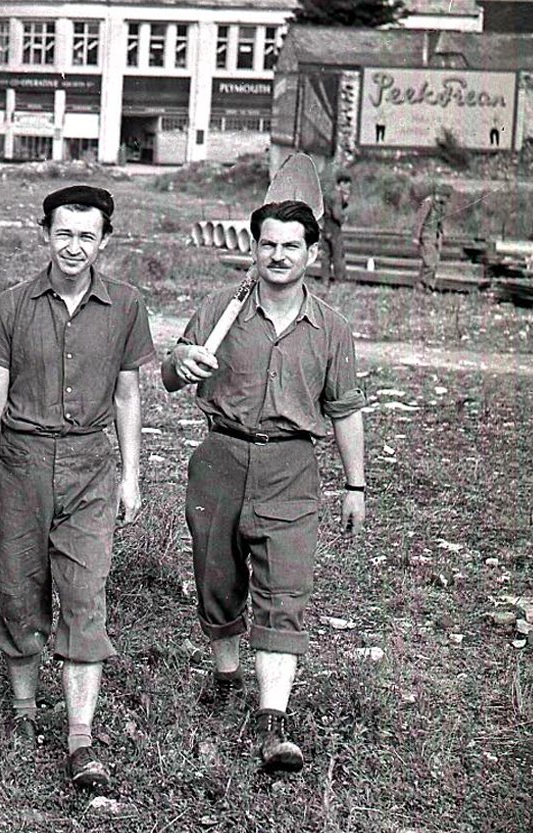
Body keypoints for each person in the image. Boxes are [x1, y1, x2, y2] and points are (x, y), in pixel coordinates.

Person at [162, 199, 367, 774]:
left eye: (291, 245)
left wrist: (357, 485)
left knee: (286, 585)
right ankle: (227, 673)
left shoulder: (332, 328)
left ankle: (272, 719)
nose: (278, 255)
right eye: (268, 244)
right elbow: (169, 376)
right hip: (221, 458)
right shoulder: (218, 309)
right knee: (216, 576)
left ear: (312, 253)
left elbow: (346, 409)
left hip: (291, 467)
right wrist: (183, 359)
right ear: (254, 248)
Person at [0, 185, 154, 791]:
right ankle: (23, 712)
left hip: (89, 467)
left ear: (105, 240)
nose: (74, 246)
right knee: (17, 587)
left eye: (87, 235)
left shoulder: (126, 306)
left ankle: (80, 737)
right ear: (44, 234)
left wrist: (131, 475)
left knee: (83, 593)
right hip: (20, 463)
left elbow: (127, 394)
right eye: (64, 233)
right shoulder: (11, 307)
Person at [412, 184, 450, 288]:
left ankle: (429, 286)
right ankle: (422, 285)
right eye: (446, 197)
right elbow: (419, 221)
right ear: (442, 195)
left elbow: (440, 222)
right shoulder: (428, 203)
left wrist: (443, 233)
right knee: (429, 263)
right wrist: (416, 237)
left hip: (436, 237)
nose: (447, 200)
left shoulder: (440, 205)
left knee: (435, 263)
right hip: (426, 236)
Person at [321, 171, 350, 288]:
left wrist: (345, 202)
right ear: (341, 183)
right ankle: (339, 281)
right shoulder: (337, 195)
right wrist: (343, 219)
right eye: (347, 184)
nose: (348, 187)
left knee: (326, 256)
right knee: (338, 255)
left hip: (325, 227)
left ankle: (325, 281)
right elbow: (336, 214)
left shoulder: (327, 193)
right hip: (334, 229)